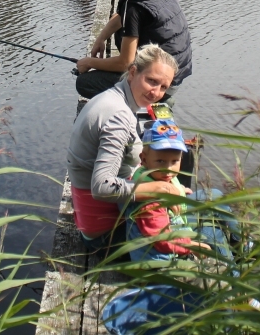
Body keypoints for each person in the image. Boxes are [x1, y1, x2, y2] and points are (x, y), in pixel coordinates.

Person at [66, 46, 181, 251]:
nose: (156, 93)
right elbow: (102, 187)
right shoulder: (118, 117)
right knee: (206, 222)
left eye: (163, 87)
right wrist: (160, 189)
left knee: (210, 199)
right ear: (133, 71)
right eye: (152, 81)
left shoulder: (115, 97)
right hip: (106, 233)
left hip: (99, 218)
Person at [75, 0, 193, 99]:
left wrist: (89, 62)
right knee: (120, 22)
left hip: (161, 87)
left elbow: (125, 63)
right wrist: (101, 39)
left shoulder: (133, 7)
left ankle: (140, 103)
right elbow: (119, 17)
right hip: (176, 74)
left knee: (84, 82)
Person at [124, 119, 210, 261]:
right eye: (160, 162)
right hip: (161, 266)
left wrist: (180, 188)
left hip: (176, 236)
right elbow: (162, 240)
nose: (168, 169)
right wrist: (193, 247)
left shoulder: (155, 175)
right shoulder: (150, 202)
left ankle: (241, 245)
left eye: (174, 161)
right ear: (144, 160)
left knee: (214, 199)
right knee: (215, 238)